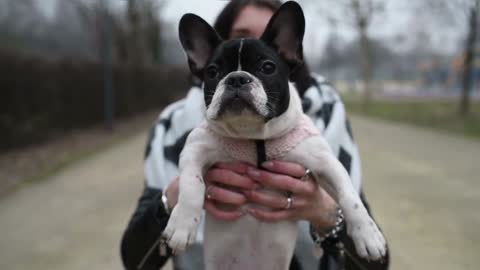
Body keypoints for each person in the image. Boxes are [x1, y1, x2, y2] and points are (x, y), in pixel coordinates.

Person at [120, 1, 389, 269]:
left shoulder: (320, 121)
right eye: (242, 38)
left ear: (289, 52)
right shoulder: (175, 126)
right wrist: (176, 199)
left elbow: (376, 262)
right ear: (202, 59)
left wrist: (327, 215)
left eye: (264, 62)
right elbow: (134, 261)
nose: (240, 78)